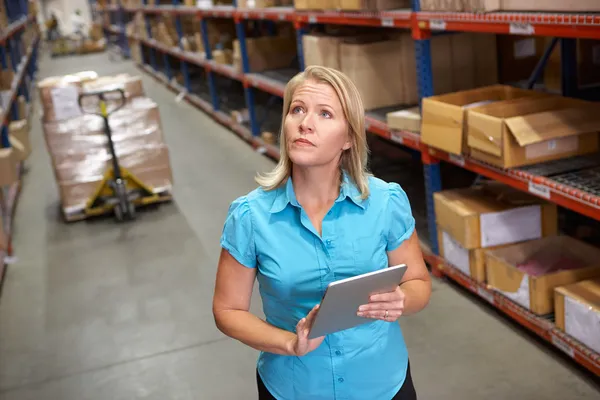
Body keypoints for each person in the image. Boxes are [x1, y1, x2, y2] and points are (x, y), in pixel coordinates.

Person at [212, 65, 431, 400]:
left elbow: (418, 282)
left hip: (381, 383)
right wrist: (289, 343)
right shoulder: (250, 217)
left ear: (348, 138)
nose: (305, 122)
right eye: (297, 109)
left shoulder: (385, 202)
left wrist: (401, 300)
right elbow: (228, 311)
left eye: (325, 113)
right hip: (294, 387)